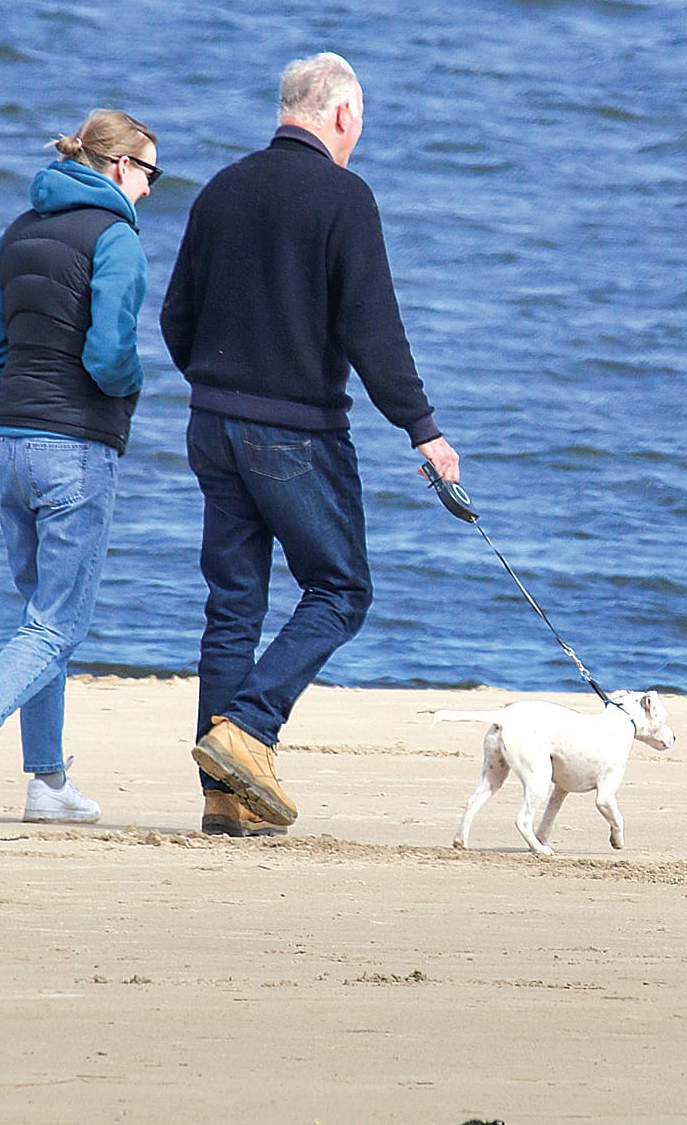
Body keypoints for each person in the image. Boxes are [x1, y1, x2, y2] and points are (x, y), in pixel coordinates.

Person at [161, 52, 460, 838]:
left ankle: (223, 797)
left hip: (212, 424)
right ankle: (249, 731)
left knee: (234, 605)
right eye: (361, 119)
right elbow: (374, 331)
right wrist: (423, 429)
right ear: (341, 115)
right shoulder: (344, 197)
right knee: (341, 590)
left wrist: (215, 385)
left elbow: (175, 316)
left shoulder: (223, 187)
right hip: (294, 432)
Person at [0, 109, 160, 825]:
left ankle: (48, 782)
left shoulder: (17, 231)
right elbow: (110, 356)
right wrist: (132, 387)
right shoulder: (117, 238)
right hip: (74, 445)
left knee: (39, 617)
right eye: (150, 172)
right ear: (120, 168)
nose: (150, 188)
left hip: (9, 441)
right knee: (57, 622)